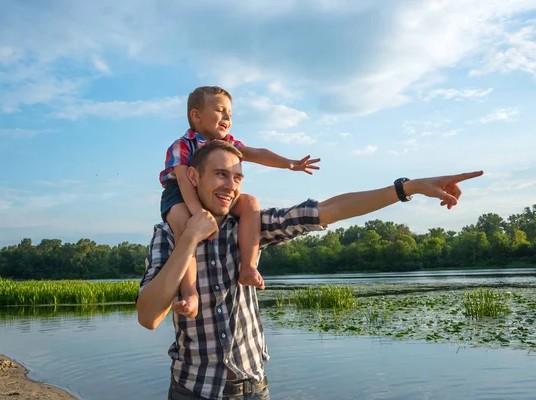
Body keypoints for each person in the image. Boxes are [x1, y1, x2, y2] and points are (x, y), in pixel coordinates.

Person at [137, 140, 483, 400]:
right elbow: (148, 316)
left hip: (253, 389)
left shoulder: (250, 228)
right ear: (193, 177)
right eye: (221, 175)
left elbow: (329, 209)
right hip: (192, 390)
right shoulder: (168, 235)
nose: (231, 185)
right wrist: (190, 239)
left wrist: (409, 187)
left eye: (238, 177)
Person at [160, 86, 320, 319]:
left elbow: (257, 153)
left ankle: (248, 267)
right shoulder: (182, 145)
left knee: (249, 202)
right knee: (184, 226)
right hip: (180, 194)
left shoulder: (229, 143)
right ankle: (191, 293)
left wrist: (290, 163)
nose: (227, 118)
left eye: (230, 114)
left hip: (217, 194)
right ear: (196, 115)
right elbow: (184, 180)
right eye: (220, 111)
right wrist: (198, 215)